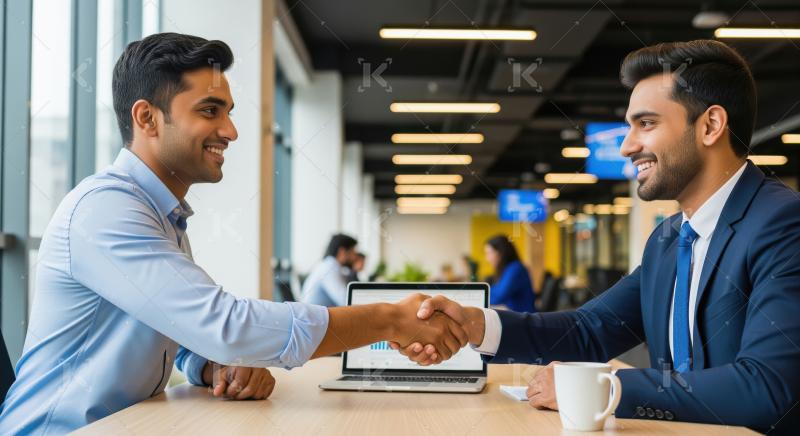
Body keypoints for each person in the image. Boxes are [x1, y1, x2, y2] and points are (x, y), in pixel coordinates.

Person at [0, 33, 465, 435]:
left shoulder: (160, 213)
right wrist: (386, 320)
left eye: (228, 111)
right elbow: (225, 325)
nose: (231, 130)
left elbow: (179, 333)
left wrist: (212, 363)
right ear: (147, 118)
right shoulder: (106, 209)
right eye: (210, 111)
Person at [394, 40, 800, 434]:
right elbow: (591, 330)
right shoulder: (669, 238)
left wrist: (601, 388)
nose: (627, 146)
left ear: (710, 125)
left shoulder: (783, 223)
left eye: (646, 123)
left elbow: (767, 386)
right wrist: (476, 325)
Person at [302, 234, 358, 307]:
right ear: (342, 252)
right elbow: (346, 301)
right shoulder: (329, 268)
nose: (355, 256)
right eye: (353, 251)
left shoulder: (330, 265)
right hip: (315, 317)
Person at [484, 235, 536, 312]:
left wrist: (478, 297)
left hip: (523, 316)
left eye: (489, 253)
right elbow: (495, 291)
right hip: (515, 312)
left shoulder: (515, 269)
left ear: (500, 253)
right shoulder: (508, 269)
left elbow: (498, 297)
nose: (487, 258)